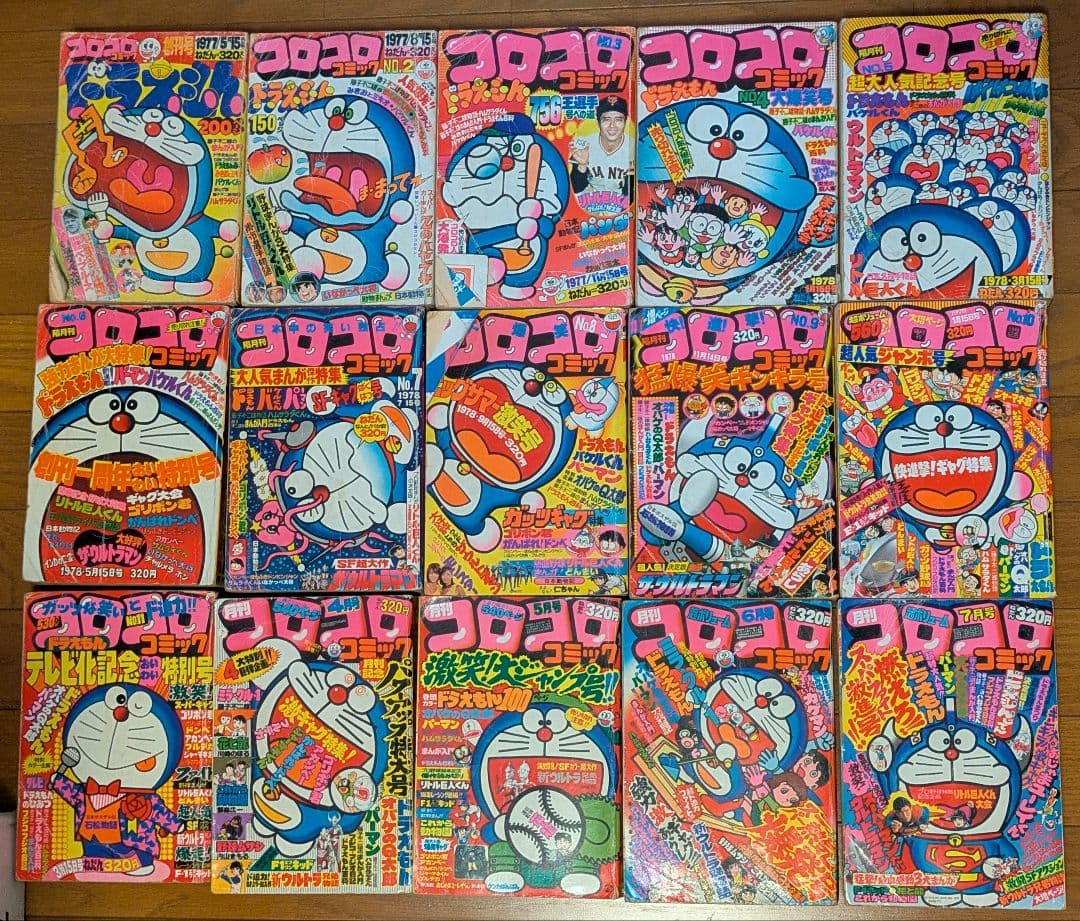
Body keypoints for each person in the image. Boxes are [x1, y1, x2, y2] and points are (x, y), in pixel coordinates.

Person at [569, 95, 631, 200]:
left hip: (620, 203)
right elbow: (576, 189)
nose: (612, 125)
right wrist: (582, 165)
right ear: (598, 123)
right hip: (588, 201)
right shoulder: (584, 145)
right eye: (606, 120)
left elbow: (631, 193)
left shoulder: (632, 146)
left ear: (625, 122)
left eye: (618, 120)